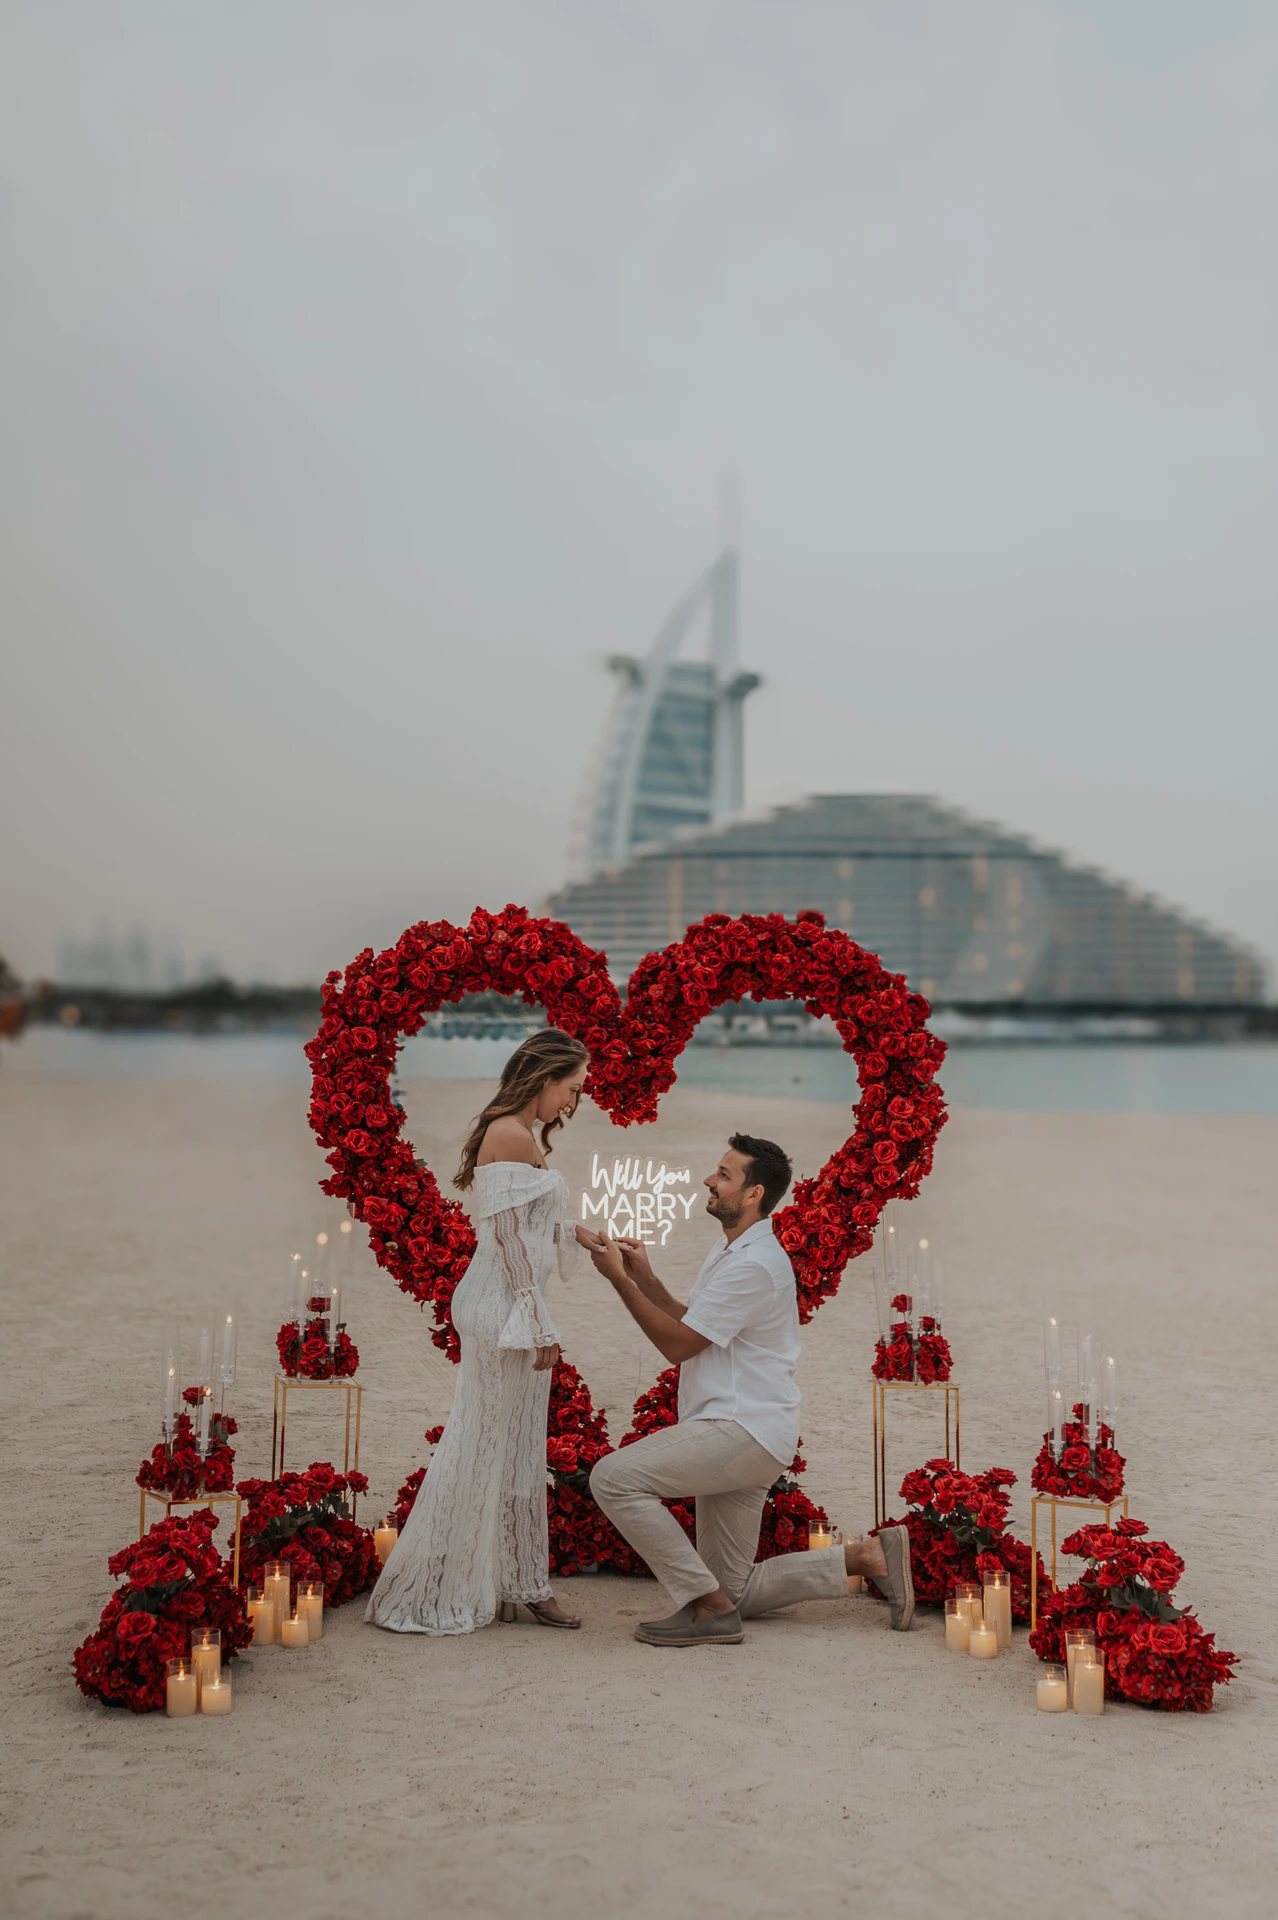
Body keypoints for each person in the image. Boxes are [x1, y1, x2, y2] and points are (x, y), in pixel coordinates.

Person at [583, 1133, 913, 1647]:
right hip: (744, 1429)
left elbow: (678, 1346)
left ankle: (705, 1608)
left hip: (739, 1429)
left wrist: (616, 1281)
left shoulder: (754, 1264)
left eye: (724, 1174)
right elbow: (696, 1324)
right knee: (733, 1589)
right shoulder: (733, 1248)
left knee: (613, 1479)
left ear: (754, 1193)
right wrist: (642, 1276)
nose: (709, 1180)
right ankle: (865, 1557)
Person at [366, 1028, 589, 1635]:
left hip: (509, 1303)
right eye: (570, 1089)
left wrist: (583, 1237)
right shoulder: (509, 1133)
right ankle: (446, 1584)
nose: (573, 1103)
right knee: (484, 1442)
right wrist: (538, 1320)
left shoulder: (515, 1132)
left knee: (517, 1445)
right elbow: (511, 1241)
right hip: (503, 1311)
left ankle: (522, 1583)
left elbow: (527, 1230)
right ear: (544, 1078)